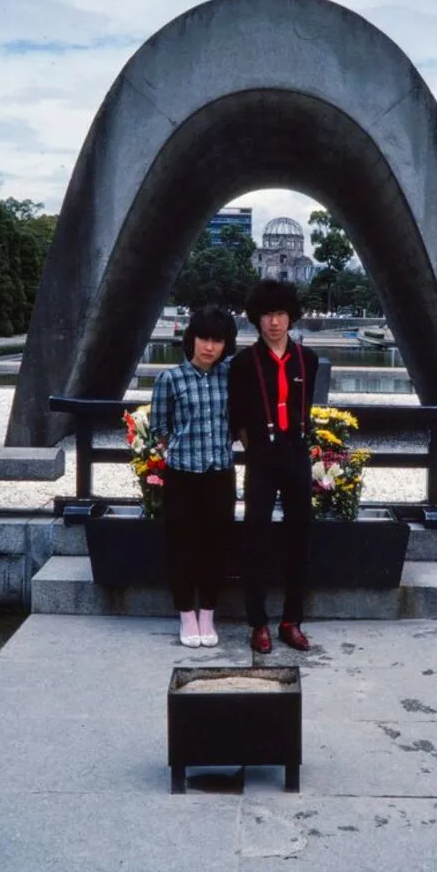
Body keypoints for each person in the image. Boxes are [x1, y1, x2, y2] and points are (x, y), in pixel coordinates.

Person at [228, 279, 319, 653]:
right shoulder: (243, 362)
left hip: (296, 453)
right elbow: (236, 415)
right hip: (262, 457)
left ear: (291, 317)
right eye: (267, 314)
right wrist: (255, 447)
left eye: (280, 314)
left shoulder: (307, 360)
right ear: (256, 318)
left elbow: (306, 408)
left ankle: (291, 620)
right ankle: (258, 623)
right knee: (256, 538)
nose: (274, 322)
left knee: (300, 537)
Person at [150, 305, 237, 648]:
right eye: (204, 338)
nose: (210, 347)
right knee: (182, 544)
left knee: (216, 545)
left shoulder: (229, 375)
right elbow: (160, 429)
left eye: (218, 340)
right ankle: (186, 613)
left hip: (220, 472)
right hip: (183, 474)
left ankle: (208, 614)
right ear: (192, 339)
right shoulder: (170, 379)